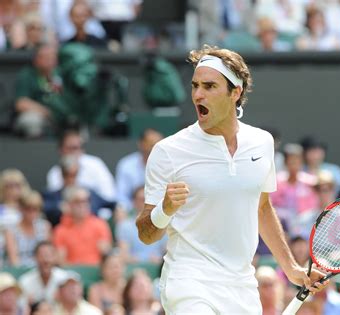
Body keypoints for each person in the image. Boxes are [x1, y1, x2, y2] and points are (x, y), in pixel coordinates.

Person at [135, 45, 327, 314]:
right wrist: (165, 210)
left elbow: (261, 207)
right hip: (189, 280)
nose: (198, 95)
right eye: (195, 86)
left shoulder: (262, 143)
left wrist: (292, 268)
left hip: (241, 285)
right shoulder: (169, 151)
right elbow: (146, 233)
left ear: (235, 92)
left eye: (209, 86)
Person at [46, 129, 116, 202]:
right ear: (60, 150)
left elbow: (109, 196)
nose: (74, 152)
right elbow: (54, 202)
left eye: (76, 148)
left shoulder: (96, 165)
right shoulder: (54, 174)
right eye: (70, 148)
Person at [13, 43, 66, 138]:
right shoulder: (27, 75)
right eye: (46, 58)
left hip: (61, 116)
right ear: (36, 60)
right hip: (40, 115)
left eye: (52, 58)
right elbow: (21, 103)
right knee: (30, 121)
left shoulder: (61, 74)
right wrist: (46, 112)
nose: (50, 61)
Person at [53, 186, 112, 265]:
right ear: (68, 205)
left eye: (85, 201)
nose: (82, 205)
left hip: (96, 272)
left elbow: (106, 254)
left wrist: (106, 251)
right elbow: (60, 261)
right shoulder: (60, 230)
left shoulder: (100, 224)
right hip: (72, 273)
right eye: (77, 201)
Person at [115, 129, 163, 212]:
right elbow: (121, 197)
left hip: (162, 210)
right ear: (141, 144)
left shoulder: (169, 165)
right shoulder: (126, 165)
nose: (156, 147)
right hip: (133, 212)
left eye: (159, 144)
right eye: (151, 144)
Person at [116, 186, 166, 264]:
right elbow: (124, 255)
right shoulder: (125, 226)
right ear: (134, 202)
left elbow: (167, 251)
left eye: (148, 200)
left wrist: (160, 260)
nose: (145, 203)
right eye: (142, 200)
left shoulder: (163, 224)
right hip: (133, 268)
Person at [7, 190, 51, 267]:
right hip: (19, 272)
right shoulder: (11, 231)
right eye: (28, 209)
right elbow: (14, 261)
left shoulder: (45, 226)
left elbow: (47, 254)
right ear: (20, 208)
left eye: (35, 209)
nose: (32, 213)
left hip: (41, 271)